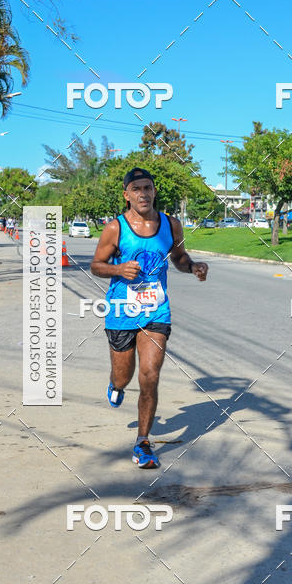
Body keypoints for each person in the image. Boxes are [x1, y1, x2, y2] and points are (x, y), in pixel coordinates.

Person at [91, 168, 209, 469]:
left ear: (154, 191)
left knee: (150, 374)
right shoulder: (115, 229)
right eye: (136, 188)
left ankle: (143, 442)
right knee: (123, 375)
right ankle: (115, 386)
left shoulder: (171, 224)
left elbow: (179, 258)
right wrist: (118, 270)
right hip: (121, 312)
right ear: (126, 194)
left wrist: (193, 266)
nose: (143, 193)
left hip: (156, 311)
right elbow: (96, 265)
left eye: (148, 188)